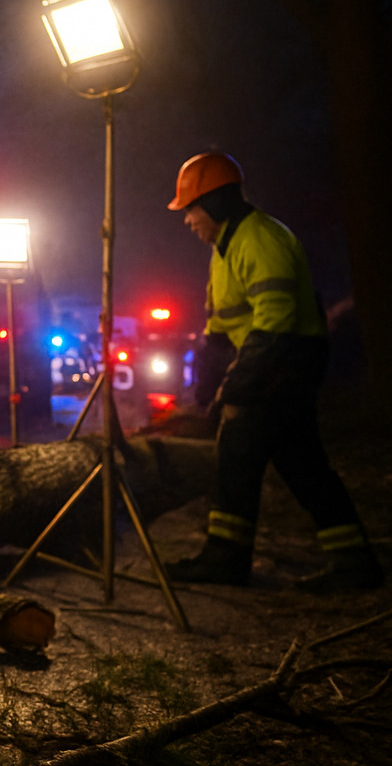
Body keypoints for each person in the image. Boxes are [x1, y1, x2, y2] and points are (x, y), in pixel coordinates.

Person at [163, 151, 382, 591]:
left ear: (216, 203)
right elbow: (220, 330)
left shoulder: (259, 240)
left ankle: (227, 558)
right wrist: (209, 388)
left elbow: (274, 326)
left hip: (284, 366)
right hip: (273, 367)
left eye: (191, 208)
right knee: (303, 464)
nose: (187, 220)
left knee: (239, 455)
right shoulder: (226, 248)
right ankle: (354, 559)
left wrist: (235, 391)